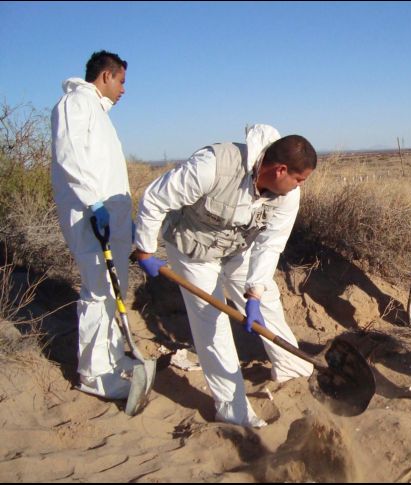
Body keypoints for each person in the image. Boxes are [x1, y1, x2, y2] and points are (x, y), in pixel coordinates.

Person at [133, 125, 316, 427]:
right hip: (192, 247)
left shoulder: (287, 196)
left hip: (237, 247)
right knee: (212, 322)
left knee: (267, 301)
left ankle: (292, 367)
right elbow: (156, 197)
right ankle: (233, 408)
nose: (299, 186)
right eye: (298, 179)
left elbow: (270, 245)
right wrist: (144, 248)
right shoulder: (214, 165)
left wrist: (254, 293)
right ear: (281, 170)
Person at [51, 50, 137, 399]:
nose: (123, 89)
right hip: (90, 216)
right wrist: (94, 203)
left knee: (115, 290)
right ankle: (94, 375)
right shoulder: (75, 103)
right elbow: (70, 155)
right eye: (121, 81)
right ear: (106, 76)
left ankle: (114, 357)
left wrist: (123, 218)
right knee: (98, 291)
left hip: (110, 217)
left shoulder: (100, 114)